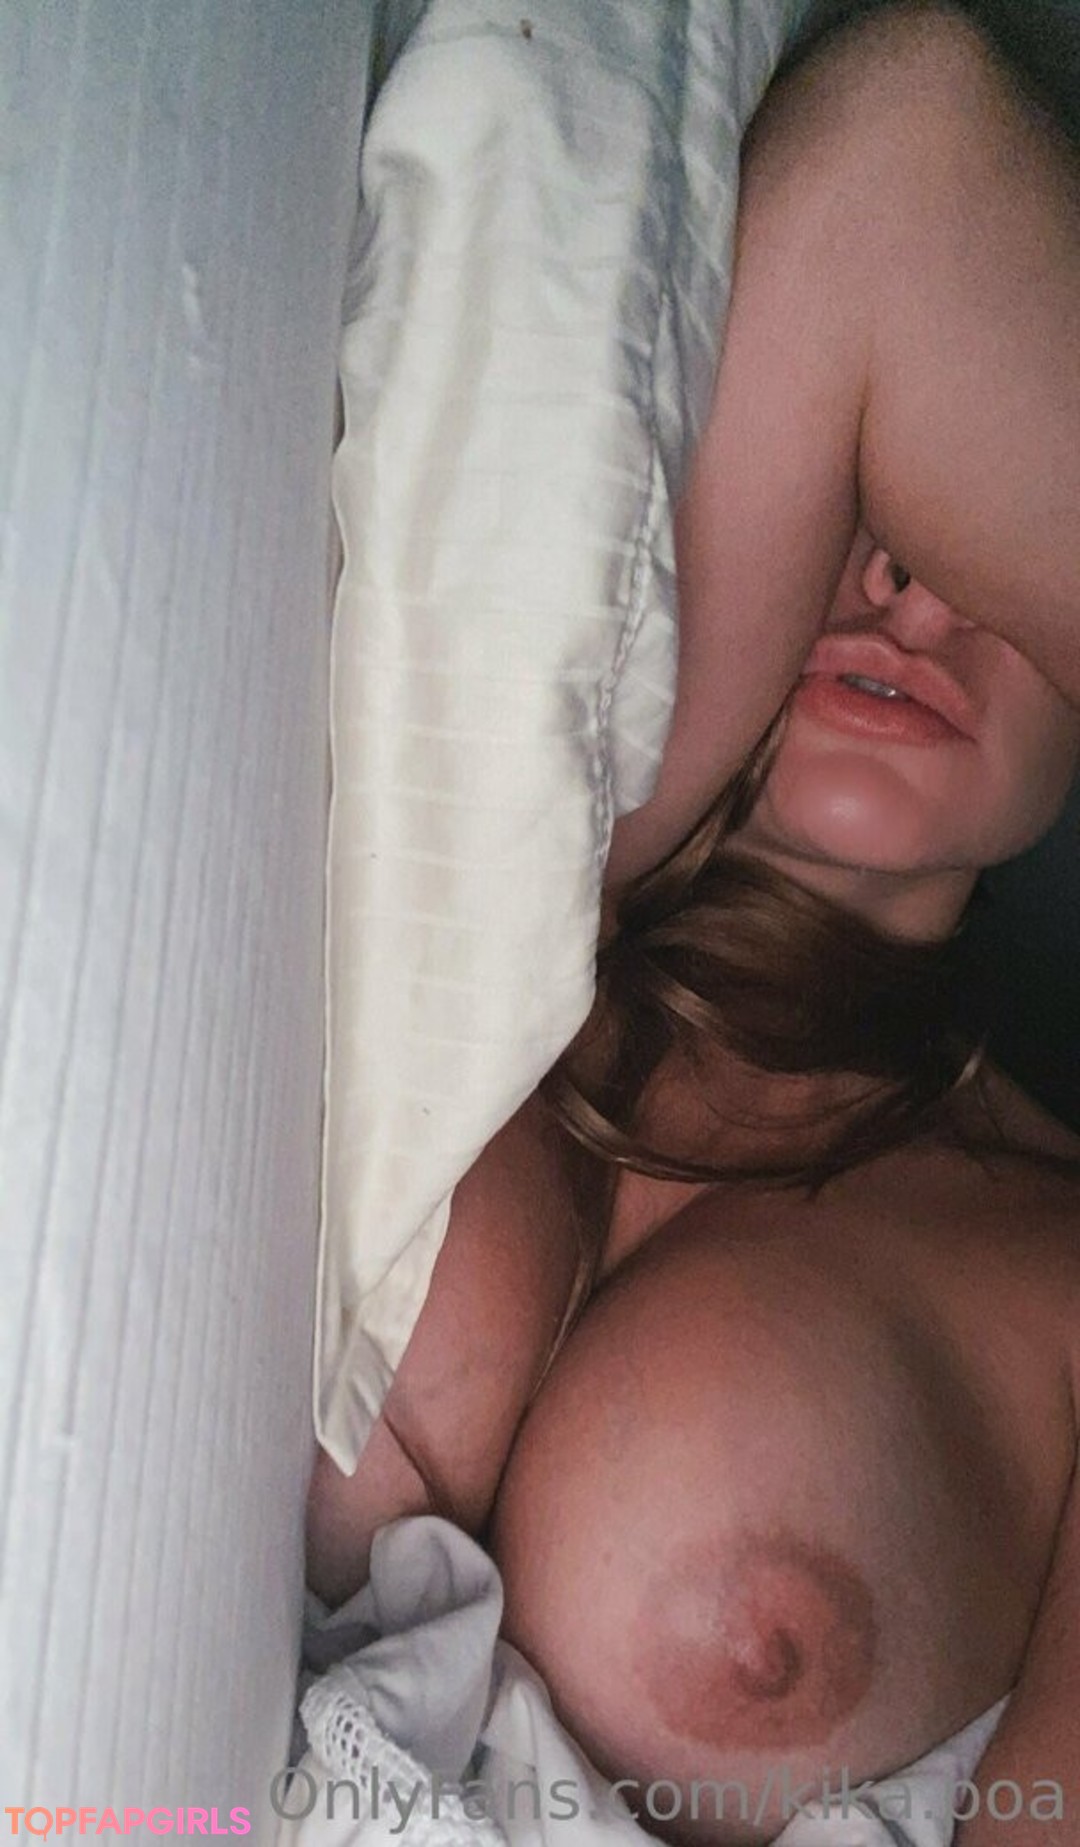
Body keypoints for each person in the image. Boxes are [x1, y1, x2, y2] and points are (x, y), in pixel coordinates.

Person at [306, 4, 1080, 1838]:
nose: (904, 586)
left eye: (977, 561)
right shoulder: (521, 867)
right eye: (869, 519)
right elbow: (911, 148)